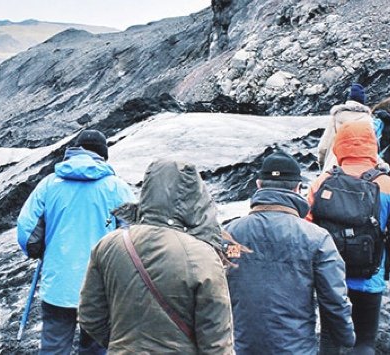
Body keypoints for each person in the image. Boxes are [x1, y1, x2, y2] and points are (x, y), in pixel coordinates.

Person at [78, 159, 234, 354]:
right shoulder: (203, 256)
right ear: (195, 197)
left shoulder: (109, 245)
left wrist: (120, 344)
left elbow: (89, 316)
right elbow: (216, 341)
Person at [17, 129, 135, 355]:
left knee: (54, 346)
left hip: (58, 284)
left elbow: (26, 231)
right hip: (101, 286)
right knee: (95, 348)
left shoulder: (49, 184)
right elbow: (133, 234)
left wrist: (38, 250)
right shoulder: (116, 187)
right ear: (103, 155)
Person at [225, 150, 355, 354]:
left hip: (241, 347)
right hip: (296, 348)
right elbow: (334, 299)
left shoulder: (229, 234)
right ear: (298, 188)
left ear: (258, 184)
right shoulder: (317, 237)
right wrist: (347, 337)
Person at [307, 121, 389, 355]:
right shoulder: (386, 183)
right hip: (370, 277)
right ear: (373, 145)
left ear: (338, 145)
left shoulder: (321, 183)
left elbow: (307, 230)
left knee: (330, 341)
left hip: (330, 278)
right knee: (364, 341)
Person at [318, 83, 372, 172]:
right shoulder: (368, 121)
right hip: (361, 170)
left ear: (349, 98)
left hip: (334, 166)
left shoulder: (336, 117)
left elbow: (323, 147)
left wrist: (321, 164)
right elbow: (373, 148)